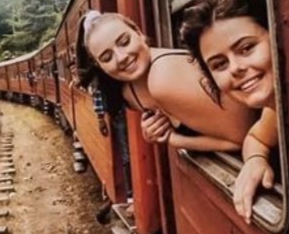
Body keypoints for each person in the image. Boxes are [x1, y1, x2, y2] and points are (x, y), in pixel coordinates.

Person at [76, 10, 255, 153]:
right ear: (100, 66)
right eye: (107, 57)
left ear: (138, 32)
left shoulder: (162, 76)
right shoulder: (130, 93)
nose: (121, 57)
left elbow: (244, 139)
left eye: (124, 42)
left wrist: (173, 139)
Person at [179, 0, 277, 223]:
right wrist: (255, 160)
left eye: (246, 48)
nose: (236, 68)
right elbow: (256, 138)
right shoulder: (275, 111)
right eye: (219, 64)